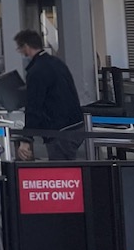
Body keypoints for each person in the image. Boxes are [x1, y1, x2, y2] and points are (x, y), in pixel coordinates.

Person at [12, 29, 84, 162]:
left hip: (60, 131)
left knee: (61, 175)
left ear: (26, 47)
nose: (21, 52)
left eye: (19, 48)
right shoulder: (56, 62)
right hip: (75, 125)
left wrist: (27, 138)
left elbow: (34, 106)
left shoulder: (36, 71)